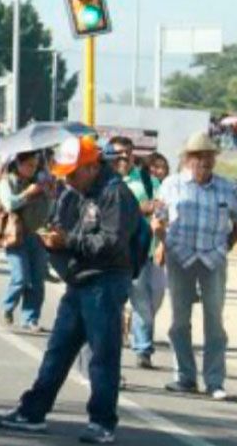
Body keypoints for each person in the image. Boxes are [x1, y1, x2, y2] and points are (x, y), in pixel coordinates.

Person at [0, 135, 142, 444]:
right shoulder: (76, 193)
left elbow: (111, 243)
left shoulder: (115, 194)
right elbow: (66, 226)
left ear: (91, 167)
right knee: (58, 351)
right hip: (80, 280)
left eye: (73, 173)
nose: (68, 179)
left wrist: (68, 240)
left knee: (103, 355)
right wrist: (55, 237)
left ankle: (102, 422)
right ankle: (33, 412)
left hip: (105, 281)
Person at [154, 132, 232, 401]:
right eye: (199, 156)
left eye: (209, 156)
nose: (205, 161)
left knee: (214, 321)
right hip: (180, 257)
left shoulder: (226, 187)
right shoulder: (172, 185)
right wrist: (163, 243)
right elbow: (159, 219)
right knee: (179, 320)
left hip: (213, 259)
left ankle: (214, 381)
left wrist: (227, 245)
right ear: (188, 159)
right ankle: (185, 377)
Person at [106, 137, 165, 370]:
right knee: (113, 305)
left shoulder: (147, 181)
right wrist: (141, 208)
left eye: (127, 153)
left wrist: (162, 241)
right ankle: (113, 352)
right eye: (118, 153)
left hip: (140, 250)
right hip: (111, 252)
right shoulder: (103, 180)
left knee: (143, 303)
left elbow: (161, 208)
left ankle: (142, 350)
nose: (123, 158)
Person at [0, 150, 52, 331]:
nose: (33, 169)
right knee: (20, 276)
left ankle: (30, 319)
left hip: (37, 236)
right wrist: (28, 194)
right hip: (16, 236)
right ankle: (8, 306)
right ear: (18, 164)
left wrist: (49, 193)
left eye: (35, 165)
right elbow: (9, 204)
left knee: (37, 280)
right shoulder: (7, 182)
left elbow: (48, 208)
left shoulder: (39, 182)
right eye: (29, 165)